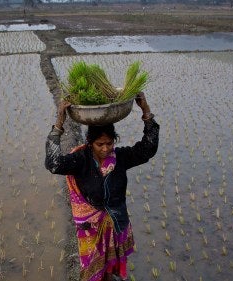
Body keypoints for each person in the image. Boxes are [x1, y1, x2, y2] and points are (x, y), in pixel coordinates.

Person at [45, 93, 159, 281]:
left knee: (110, 267)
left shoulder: (120, 158)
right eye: (100, 144)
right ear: (90, 143)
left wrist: (145, 110)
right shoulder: (81, 160)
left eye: (109, 143)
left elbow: (148, 149)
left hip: (116, 222)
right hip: (90, 228)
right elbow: (53, 163)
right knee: (92, 271)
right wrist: (59, 124)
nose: (105, 149)